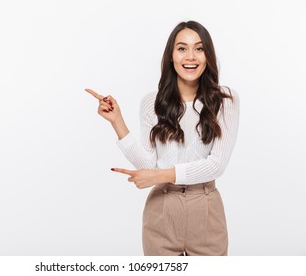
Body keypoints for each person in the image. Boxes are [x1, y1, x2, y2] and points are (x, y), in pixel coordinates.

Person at [85, 20, 239, 256]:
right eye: (182, 48)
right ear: (171, 56)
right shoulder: (152, 102)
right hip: (161, 211)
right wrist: (117, 122)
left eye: (199, 48)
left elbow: (216, 165)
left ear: (208, 55)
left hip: (206, 212)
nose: (191, 56)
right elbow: (149, 165)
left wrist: (160, 175)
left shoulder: (225, 100)